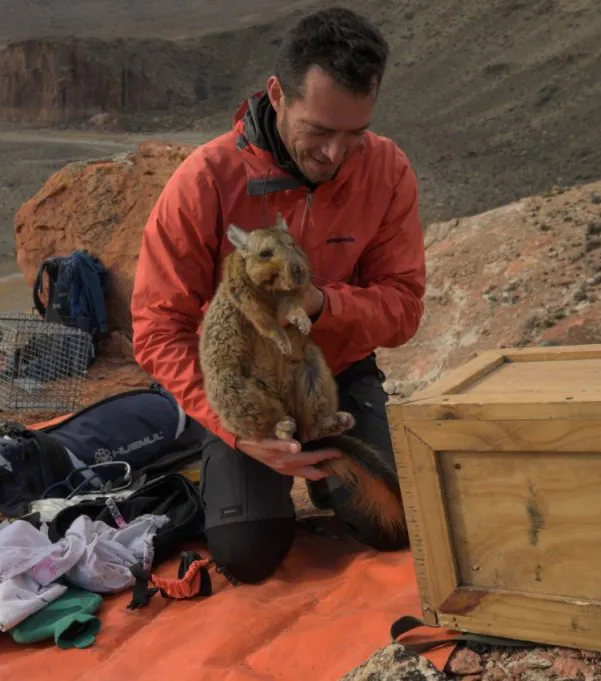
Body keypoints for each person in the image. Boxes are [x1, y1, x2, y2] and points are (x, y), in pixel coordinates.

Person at [130, 7, 426, 583]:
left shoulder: (387, 170)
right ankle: (213, 455)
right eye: (319, 130)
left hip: (333, 373)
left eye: (355, 134)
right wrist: (236, 429)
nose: (336, 154)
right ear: (277, 95)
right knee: (247, 553)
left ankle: (328, 478)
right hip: (243, 382)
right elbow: (158, 328)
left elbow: (404, 307)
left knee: (395, 525)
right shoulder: (205, 179)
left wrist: (323, 306)